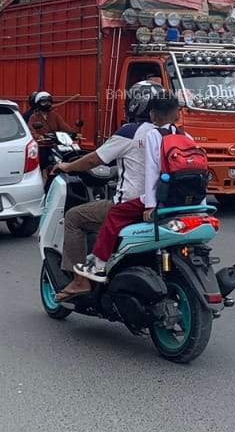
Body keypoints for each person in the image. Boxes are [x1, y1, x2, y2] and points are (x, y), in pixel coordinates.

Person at [50, 82, 155, 300]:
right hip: (165, 204)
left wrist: (68, 166)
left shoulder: (130, 132)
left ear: (134, 105)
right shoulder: (170, 132)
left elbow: (95, 159)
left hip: (130, 204)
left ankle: (80, 280)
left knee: (74, 217)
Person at [75, 89, 182, 283]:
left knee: (86, 216)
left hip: (148, 200)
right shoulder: (183, 136)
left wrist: (150, 205)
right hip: (176, 200)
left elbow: (151, 172)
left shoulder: (146, 134)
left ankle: (92, 270)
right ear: (177, 113)